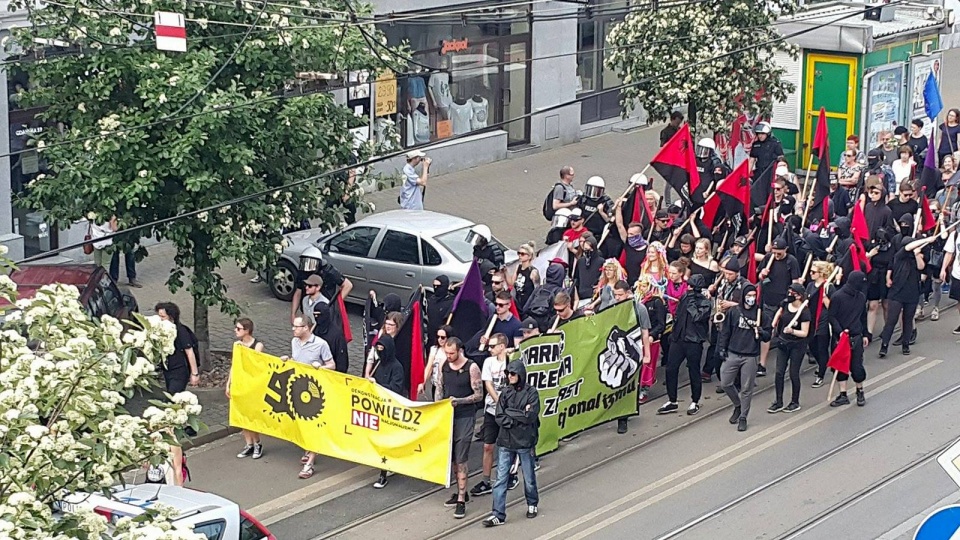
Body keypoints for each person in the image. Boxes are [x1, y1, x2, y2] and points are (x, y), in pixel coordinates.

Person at [481, 359, 540, 527]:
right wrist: (518, 416)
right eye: (508, 373)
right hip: (506, 441)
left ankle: (532, 503)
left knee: (529, 477)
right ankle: (498, 514)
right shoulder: (506, 393)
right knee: (500, 479)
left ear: (520, 374)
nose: (510, 376)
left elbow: (530, 416)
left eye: (513, 373)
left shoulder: (532, 393)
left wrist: (510, 414)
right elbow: (499, 416)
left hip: (524, 442)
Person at [436, 337, 483, 519]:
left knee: (461, 457)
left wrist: (459, 401)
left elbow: (478, 395)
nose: (449, 356)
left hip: (465, 416)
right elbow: (440, 387)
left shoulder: (471, 368)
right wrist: (438, 406)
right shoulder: (444, 366)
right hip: (449, 416)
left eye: (452, 353)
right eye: (446, 353)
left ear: (459, 350)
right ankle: (460, 490)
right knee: (454, 458)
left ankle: (462, 499)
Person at [284, 315, 335, 479]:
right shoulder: (294, 342)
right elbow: (296, 360)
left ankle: (310, 463)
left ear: (306, 328)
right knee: (302, 422)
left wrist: (320, 367)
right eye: (294, 326)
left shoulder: (321, 344)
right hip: (299, 389)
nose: (294, 329)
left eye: (297, 326)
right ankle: (308, 449)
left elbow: (332, 365)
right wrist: (288, 361)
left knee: (314, 425)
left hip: (315, 391)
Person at [470, 333, 518, 497]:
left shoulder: (512, 359)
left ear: (502, 346)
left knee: (509, 444)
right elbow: (488, 383)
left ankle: (510, 474)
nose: (489, 349)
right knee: (488, 445)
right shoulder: (488, 362)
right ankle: (486, 480)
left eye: (493, 346)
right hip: (492, 409)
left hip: (509, 410)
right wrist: (498, 401)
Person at [717, 284, 769, 432]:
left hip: (750, 356)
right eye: (749, 295)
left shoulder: (761, 314)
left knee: (747, 389)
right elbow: (725, 331)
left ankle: (743, 417)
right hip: (733, 352)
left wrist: (761, 332)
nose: (751, 298)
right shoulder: (734, 312)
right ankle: (738, 405)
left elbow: (768, 335)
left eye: (754, 295)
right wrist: (722, 348)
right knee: (726, 383)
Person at [657, 273, 710, 416]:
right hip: (679, 339)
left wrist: (692, 302)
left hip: (694, 341)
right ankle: (672, 400)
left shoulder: (705, 302)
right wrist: (674, 335)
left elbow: (697, 317)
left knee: (694, 371)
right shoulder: (685, 297)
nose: (689, 289)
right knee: (670, 368)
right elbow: (678, 315)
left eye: (692, 287)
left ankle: (695, 401)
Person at [757, 237, 801, 376]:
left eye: (779, 253)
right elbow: (759, 276)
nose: (776, 255)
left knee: (784, 333)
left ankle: (786, 361)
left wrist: (790, 300)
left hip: (784, 302)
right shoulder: (768, 258)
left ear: (785, 250)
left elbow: (795, 282)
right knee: (767, 331)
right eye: (774, 252)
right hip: (769, 300)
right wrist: (762, 275)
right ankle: (762, 364)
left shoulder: (791, 261)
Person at [611, 280, 651, 434]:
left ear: (628, 293)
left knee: (629, 384)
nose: (617, 298)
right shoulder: (614, 308)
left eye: (620, 295)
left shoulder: (639, 309)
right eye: (615, 295)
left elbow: (645, 332)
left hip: (633, 351)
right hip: (617, 350)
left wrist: (647, 354)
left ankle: (624, 418)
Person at [879, 232, 925, 357]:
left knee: (908, 320)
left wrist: (917, 255)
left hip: (912, 292)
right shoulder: (899, 256)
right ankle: (884, 345)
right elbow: (907, 248)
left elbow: (921, 267)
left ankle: (906, 344)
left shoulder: (915, 257)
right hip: (897, 292)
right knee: (891, 320)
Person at [369, 335, 406, 489]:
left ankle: (383, 474)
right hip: (378, 408)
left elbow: (396, 388)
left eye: (383, 349)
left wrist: (378, 385)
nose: (380, 352)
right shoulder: (378, 364)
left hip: (390, 409)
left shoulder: (397, 367)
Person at [768, 284, 811, 413]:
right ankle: (779, 401)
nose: (789, 295)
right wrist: (774, 322)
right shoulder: (786, 303)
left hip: (797, 345)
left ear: (798, 296)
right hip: (783, 343)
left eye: (792, 293)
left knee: (793, 373)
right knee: (779, 373)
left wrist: (792, 331)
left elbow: (804, 333)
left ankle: (794, 401)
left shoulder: (805, 312)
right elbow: (780, 311)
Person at [829, 271, 869, 407]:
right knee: (840, 366)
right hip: (840, 339)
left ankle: (860, 390)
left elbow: (863, 316)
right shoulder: (837, 297)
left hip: (856, 336)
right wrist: (839, 332)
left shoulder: (861, 297)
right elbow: (832, 317)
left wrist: (865, 334)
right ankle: (843, 393)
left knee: (857, 366)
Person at [227, 318, 264, 459]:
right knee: (241, 415)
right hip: (239, 383)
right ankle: (248, 444)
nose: (236, 331)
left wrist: (242, 350)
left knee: (251, 416)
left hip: (252, 385)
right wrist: (228, 383)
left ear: (247, 330)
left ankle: (257, 443)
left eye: (239, 328)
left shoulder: (257, 345)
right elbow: (234, 365)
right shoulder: (237, 345)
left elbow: (254, 363)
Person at [154, 302, 200, 393]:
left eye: (163, 317)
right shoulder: (161, 330)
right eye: (159, 316)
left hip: (179, 371)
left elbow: (189, 352)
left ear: (171, 317)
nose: (160, 320)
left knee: (173, 396)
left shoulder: (181, 331)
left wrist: (195, 374)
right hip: (168, 369)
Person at [635, 274, 667, 404]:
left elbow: (661, 324)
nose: (642, 288)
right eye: (640, 285)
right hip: (637, 337)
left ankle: (644, 389)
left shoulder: (657, 301)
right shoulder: (636, 299)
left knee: (648, 365)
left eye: (644, 285)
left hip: (651, 339)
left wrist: (652, 335)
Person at [806, 261, 836, 388]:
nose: (811, 274)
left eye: (813, 272)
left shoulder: (829, 287)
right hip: (812, 320)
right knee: (812, 347)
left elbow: (833, 307)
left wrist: (825, 299)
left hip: (823, 320)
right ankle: (823, 364)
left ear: (821, 273)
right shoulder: (810, 285)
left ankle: (821, 375)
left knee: (822, 348)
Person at [312, 302, 349, 373]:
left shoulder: (337, 335)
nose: (316, 317)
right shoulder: (316, 329)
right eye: (315, 315)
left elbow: (342, 359)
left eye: (319, 315)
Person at [418, 324, 453, 400]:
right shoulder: (434, 349)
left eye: (443, 337)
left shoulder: (455, 350)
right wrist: (422, 383)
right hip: (436, 384)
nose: (440, 339)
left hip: (450, 386)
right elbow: (429, 367)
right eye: (438, 337)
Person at [364, 312, 403, 378]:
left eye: (391, 324)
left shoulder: (401, 340)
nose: (387, 326)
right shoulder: (381, 335)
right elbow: (371, 356)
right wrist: (367, 374)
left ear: (397, 325)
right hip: (378, 370)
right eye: (386, 323)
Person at [509, 243, 540, 311]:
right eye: (518, 253)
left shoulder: (533, 272)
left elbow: (537, 290)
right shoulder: (518, 267)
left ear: (529, 256)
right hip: (517, 301)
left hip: (527, 303)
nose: (520, 255)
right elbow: (512, 283)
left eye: (522, 254)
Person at [427, 275, 455, 341]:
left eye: (438, 286)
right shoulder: (432, 299)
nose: (436, 288)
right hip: (431, 336)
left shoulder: (451, 302)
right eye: (434, 286)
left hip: (443, 338)